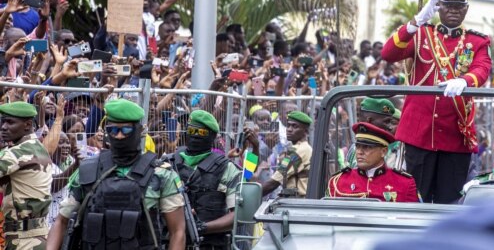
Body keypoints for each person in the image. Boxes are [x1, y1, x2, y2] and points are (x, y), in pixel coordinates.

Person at [381, 0, 492, 203]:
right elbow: (388, 53)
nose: (453, 10)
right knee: (413, 199)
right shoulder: (421, 34)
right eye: (448, 5)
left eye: (459, 6)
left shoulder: (476, 41)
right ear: (438, 7)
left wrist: (466, 81)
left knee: (449, 202)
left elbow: (482, 68)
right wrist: (416, 21)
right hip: (419, 133)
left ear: (466, 9)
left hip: (454, 134)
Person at [47, 99, 186, 250]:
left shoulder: (161, 174)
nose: (119, 136)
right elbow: (61, 221)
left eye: (126, 130)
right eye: (113, 130)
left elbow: (177, 231)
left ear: (140, 131)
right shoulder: (89, 170)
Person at [167, 110, 244, 250]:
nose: (196, 135)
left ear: (213, 136)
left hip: (210, 244)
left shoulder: (227, 168)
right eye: (192, 130)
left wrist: (202, 227)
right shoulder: (168, 163)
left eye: (202, 133)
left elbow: (238, 214)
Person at [0, 102, 53, 250]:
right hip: (36, 236)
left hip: (24, 240)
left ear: (28, 124)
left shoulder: (17, 153)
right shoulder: (37, 147)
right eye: (3, 121)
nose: (4, 127)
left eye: (10, 122)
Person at [327, 122, 419, 202]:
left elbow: (412, 219)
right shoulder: (338, 181)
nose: (359, 152)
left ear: (383, 151)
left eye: (367, 147)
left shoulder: (405, 184)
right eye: (358, 146)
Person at [261, 111, 312, 198]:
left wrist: (249, 197)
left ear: (306, 131)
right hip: (261, 190)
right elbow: (250, 174)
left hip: (295, 200)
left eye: (294, 126)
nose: (289, 129)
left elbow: (274, 181)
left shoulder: (299, 150)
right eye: (288, 125)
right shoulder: (295, 147)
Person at [346, 98, 405, 170]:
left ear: (384, 151)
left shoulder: (398, 147)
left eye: (368, 147)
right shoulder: (353, 149)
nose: (389, 127)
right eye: (386, 122)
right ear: (369, 120)